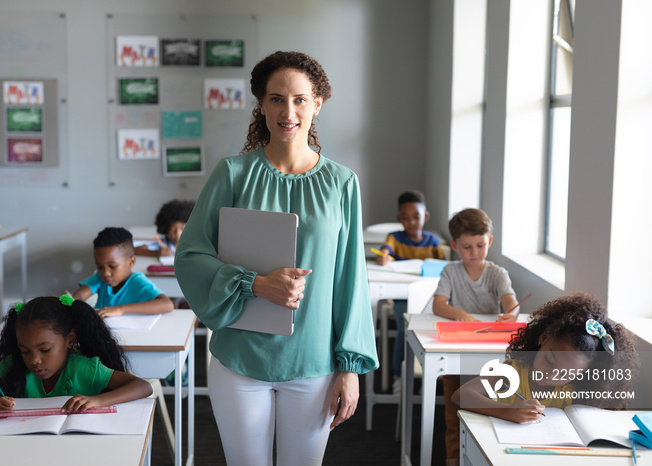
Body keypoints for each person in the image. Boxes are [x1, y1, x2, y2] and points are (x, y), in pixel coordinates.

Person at [174, 50, 378, 466]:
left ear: (316, 104)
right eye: (277, 99)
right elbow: (190, 256)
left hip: (314, 363)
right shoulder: (231, 174)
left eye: (300, 99)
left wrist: (350, 366)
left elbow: (351, 279)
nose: (289, 111)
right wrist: (255, 283)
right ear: (262, 105)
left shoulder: (343, 184)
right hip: (240, 361)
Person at [0, 295, 153, 416]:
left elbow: (142, 386)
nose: (34, 360)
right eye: (25, 351)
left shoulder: (86, 368)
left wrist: (98, 401)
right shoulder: (14, 365)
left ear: (70, 339)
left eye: (45, 350)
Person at [452, 292, 639, 423]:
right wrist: (507, 411)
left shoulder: (573, 391)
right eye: (549, 361)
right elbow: (461, 395)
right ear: (544, 337)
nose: (549, 375)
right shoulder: (511, 373)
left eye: (565, 374)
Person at [432, 207, 520, 466]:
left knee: (489, 409)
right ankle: (452, 459)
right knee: (453, 411)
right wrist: (460, 314)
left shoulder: (497, 273)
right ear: (455, 245)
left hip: (489, 355)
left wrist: (510, 313)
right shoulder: (451, 271)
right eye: (467, 247)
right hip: (458, 351)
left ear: (489, 242)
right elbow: (438, 305)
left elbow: (511, 302)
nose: (474, 253)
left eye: (480, 245)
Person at [376, 189, 444, 394]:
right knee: (405, 328)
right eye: (406, 218)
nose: (412, 222)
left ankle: (427, 376)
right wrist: (384, 256)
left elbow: (441, 268)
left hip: (428, 298)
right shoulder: (394, 238)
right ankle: (398, 375)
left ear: (426, 217)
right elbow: (384, 252)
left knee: (430, 331)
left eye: (417, 217)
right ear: (399, 219)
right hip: (400, 298)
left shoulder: (432, 241)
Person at [73, 227, 173, 317]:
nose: (105, 273)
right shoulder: (99, 278)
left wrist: (121, 309)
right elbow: (79, 296)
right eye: (99, 267)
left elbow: (167, 305)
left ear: (131, 262)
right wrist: (67, 301)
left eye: (112, 266)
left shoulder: (137, 282)